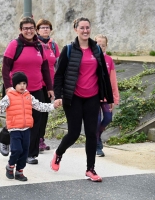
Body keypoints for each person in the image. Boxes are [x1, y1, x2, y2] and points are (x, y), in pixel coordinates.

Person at [51, 17, 113, 182]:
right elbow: (58, 75)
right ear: (76, 30)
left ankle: (90, 169)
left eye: (88, 28)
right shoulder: (69, 49)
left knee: (92, 133)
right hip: (73, 98)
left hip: (92, 97)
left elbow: (104, 75)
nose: (85, 31)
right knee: (74, 133)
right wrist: (58, 96)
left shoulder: (97, 50)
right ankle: (58, 153)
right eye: (82, 28)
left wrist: (109, 97)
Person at [1, 17, 54, 164]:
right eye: (26, 28)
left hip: (36, 89)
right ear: (21, 30)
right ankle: (5, 140)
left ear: (34, 30)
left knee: (35, 121)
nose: (29, 31)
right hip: (17, 90)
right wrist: (8, 87)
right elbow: (5, 68)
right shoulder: (14, 45)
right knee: (15, 120)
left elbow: (44, 68)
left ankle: (31, 154)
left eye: (31, 28)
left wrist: (49, 88)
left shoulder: (39, 46)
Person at [0, 72, 59, 181]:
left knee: (25, 151)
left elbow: (40, 106)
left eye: (24, 83)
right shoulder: (9, 97)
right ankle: (10, 166)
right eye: (19, 83)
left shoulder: (29, 96)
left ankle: (19, 171)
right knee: (16, 150)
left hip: (26, 129)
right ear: (14, 85)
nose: (22, 86)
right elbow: (0, 107)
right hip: (14, 129)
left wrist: (52, 106)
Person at [36, 19, 60, 151]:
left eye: (47, 27)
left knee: (45, 112)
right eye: (42, 27)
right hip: (37, 84)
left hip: (49, 85)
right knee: (36, 112)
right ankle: (32, 138)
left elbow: (58, 64)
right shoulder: (35, 43)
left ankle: (40, 139)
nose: (45, 29)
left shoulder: (54, 45)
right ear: (37, 30)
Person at [94, 34, 119, 157]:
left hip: (105, 95)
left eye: (103, 45)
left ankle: (97, 135)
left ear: (106, 46)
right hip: (93, 94)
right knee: (96, 120)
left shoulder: (109, 60)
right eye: (98, 44)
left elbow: (112, 80)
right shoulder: (91, 57)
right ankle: (97, 145)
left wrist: (114, 98)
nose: (101, 47)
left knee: (108, 118)